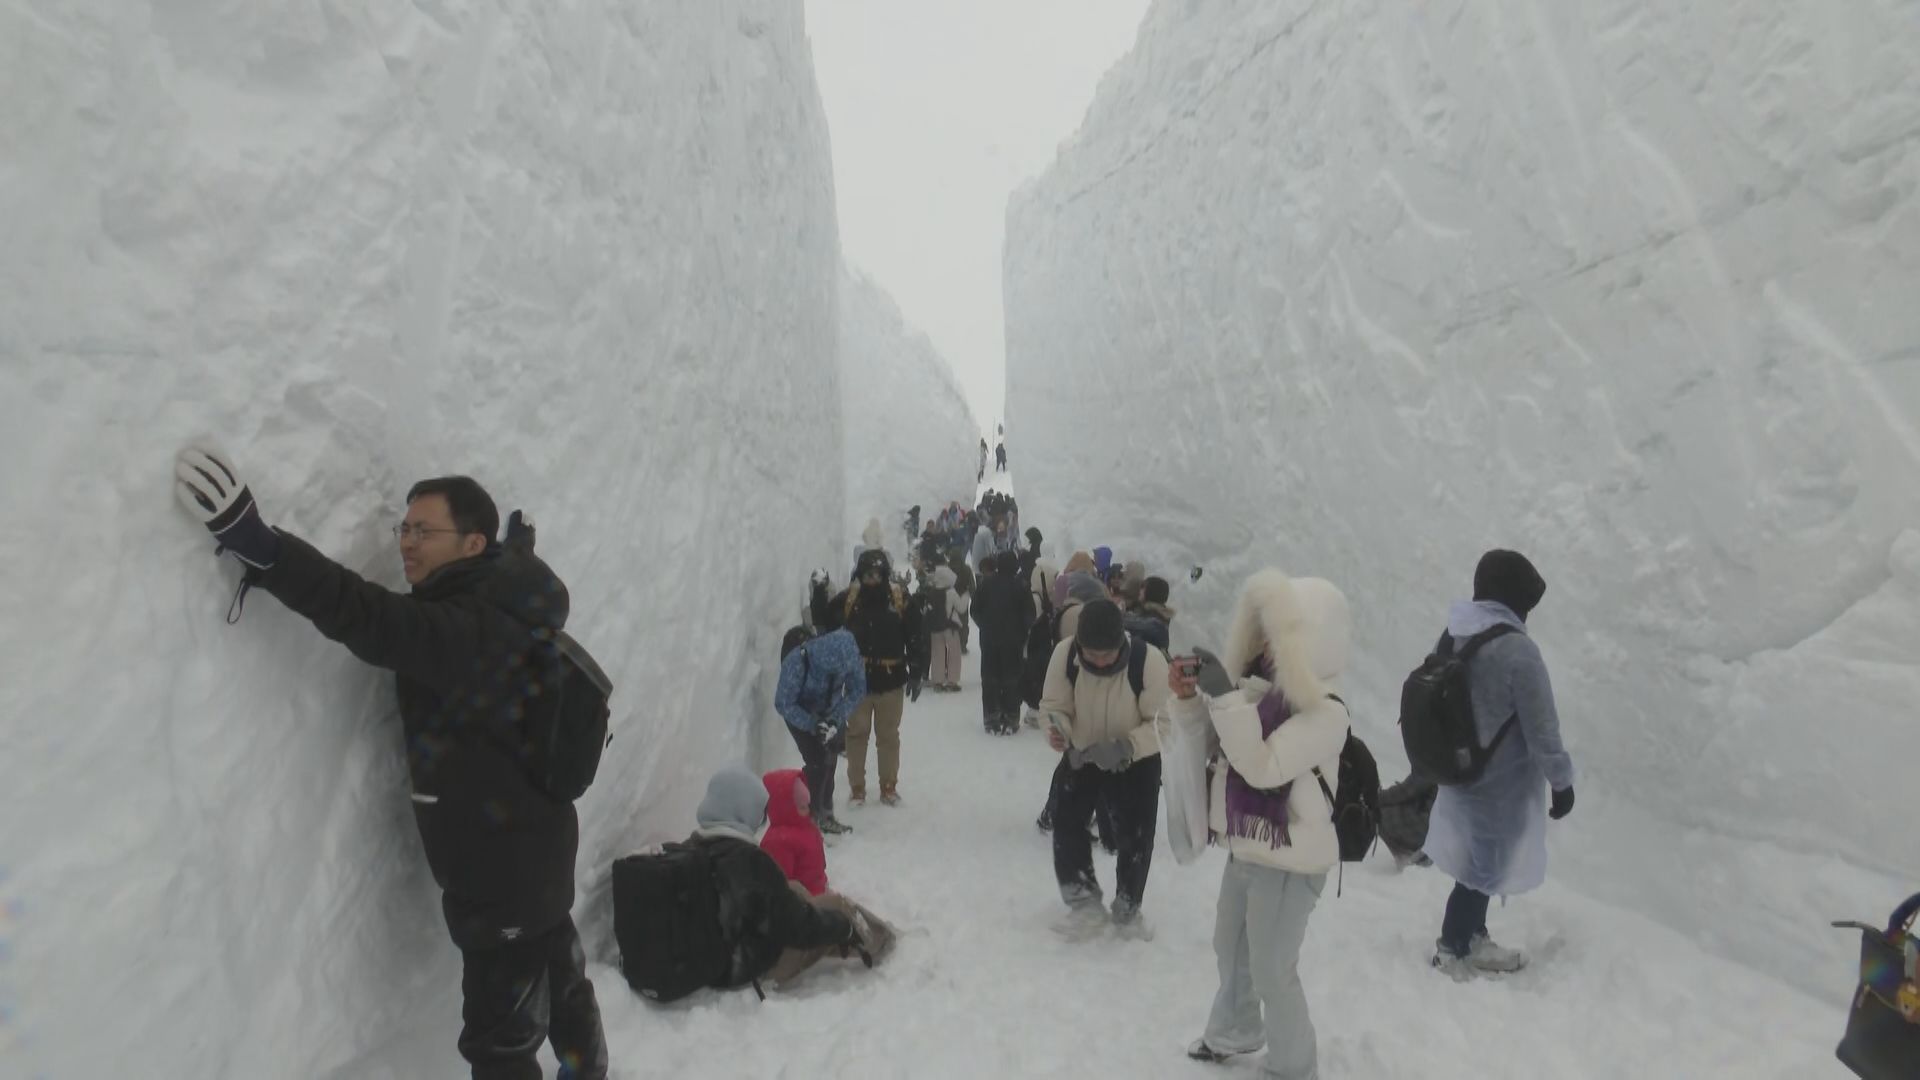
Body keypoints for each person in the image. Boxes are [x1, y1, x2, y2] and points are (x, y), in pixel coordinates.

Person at [171, 447, 607, 1080]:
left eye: (422, 530)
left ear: (471, 544)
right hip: (536, 856)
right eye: (402, 528)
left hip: (501, 877)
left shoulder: (463, 631)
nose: (406, 542)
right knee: (564, 987)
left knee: (500, 1045)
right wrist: (514, 555)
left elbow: (366, 615)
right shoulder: (503, 601)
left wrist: (263, 547)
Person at [1171, 571, 1351, 1078]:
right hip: (1247, 848)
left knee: (1273, 970)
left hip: (1293, 862)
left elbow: (1261, 766)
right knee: (1230, 948)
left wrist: (1226, 699)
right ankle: (1233, 1032)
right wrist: (1192, 699)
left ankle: (1295, 1067)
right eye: (1264, 634)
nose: (1268, 647)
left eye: (1281, 637)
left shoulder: (1327, 713)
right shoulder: (1256, 694)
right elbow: (1213, 747)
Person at [1423, 550, 1575, 978]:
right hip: (1499, 783)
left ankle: (1472, 936)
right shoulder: (1519, 651)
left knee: (1479, 861)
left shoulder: (1454, 632)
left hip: (1458, 771)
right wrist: (1562, 783)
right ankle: (1453, 946)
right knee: (1480, 866)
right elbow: (1543, 729)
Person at [686, 768, 890, 991]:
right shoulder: (749, 860)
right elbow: (797, 926)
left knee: (795, 890)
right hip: (754, 967)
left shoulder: (693, 849)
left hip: (724, 957)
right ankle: (885, 942)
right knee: (836, 906)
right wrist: (840, 926)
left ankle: (856, 936)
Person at [1039, 600, 1171, 936]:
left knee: (1135, 836)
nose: (1098, 661)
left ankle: (1128, 907)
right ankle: (1083, 902)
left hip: (1135, 758)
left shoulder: (1148, 661)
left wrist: (1127, 746)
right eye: (1091, 654)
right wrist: (1058, 731)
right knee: (1067, 824)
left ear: (1121, 644)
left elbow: (1165, 724)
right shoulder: (1065, 655)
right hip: (1083, 752)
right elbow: (1054, 706)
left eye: (1106, 655)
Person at [817, 549, 925, 807]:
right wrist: (819, 594)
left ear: (885, 574)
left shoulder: (900, 599)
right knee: (856, 735)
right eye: (867, 574)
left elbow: (917, 636)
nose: (872, 579)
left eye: (877, 574)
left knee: (888, 736)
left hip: (892, 680)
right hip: (857, 682)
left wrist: (917, 671)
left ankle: (888, 787)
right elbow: (825, 622)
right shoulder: (850, 599)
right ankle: (857, 789)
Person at [774, 626, 864, 835]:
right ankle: (809, 814)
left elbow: (857, 690)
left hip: (831, 711)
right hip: (800, 712)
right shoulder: (797, 661)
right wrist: (811, 724)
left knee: (830, 759)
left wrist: (835, 718)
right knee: (816, 761)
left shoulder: (850, 658)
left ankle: (826, 813)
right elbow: (783, 703)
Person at [971, 552, 1036, 735]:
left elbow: (974, 609)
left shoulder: (986, 584)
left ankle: (991, 716)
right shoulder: (1021, 586)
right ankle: (1011, 716)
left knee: (990, 677)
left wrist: (985, 625)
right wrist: (1023, 632)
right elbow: (1029, 614)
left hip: (989, 639)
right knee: (1011, 678)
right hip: (1013, 641)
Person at [760, 769, 830, 896]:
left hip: (818, 891)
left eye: (807, 805)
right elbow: (780, 884)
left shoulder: (806, 827)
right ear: (786, 807)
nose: (808, 811)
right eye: (802, 807)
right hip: (803, 902)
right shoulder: (777, 841)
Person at [924, 564, 965, 692]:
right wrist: (966, 596)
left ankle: (937, 682)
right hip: (950, 627)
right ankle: (952, 681)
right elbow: (961, 608)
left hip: (935, 628)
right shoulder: (951, 592)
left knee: (937, 654)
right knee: (954, 654)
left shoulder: (931, 592)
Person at [1124, 576, 1176, 653]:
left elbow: (1130, 624)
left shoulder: (1155, 621)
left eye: (1143, 587)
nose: (1139, 591)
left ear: (1151, 591)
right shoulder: (1152, 612)